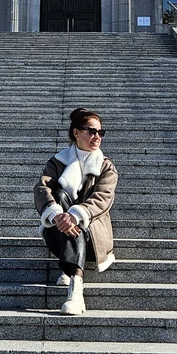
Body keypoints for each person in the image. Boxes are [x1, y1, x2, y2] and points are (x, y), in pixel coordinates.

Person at [34, 106, 117, 316]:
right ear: (76, 132)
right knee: (59, 195)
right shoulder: (58, 162)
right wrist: (56, 213)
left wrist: (74, 215)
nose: (97, 136)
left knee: (77, 222)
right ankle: (72, 277)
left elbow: (103, 198)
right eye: (91, 131)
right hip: (58, 233)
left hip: (93, 237)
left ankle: (75, 288)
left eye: (100, 132)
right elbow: (42, 188)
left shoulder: (106, 167)